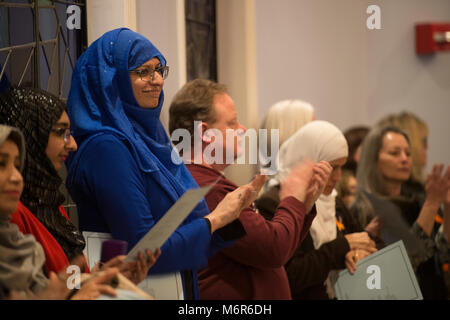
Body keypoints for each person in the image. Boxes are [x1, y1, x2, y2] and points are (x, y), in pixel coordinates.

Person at [65, 28, 253, 300]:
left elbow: (181, 228)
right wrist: (216, 218)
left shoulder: (149, 137)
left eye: (158, 69)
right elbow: (144, 246)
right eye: (142, 71)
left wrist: (230, 214)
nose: (156, 81)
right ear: (111, 79)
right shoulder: (108, 147)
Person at [169, 79, 332, 299]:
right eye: (232, 123)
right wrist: (292, 197)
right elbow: (272, 249)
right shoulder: (207, 190)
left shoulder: (202, 182)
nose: (243, 130)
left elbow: (274, 250)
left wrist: (303, 204)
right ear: (205, 133)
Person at [0, 86, 159, 285]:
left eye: (70, 133)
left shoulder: (50, 203)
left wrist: (105, 278)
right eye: (60, 133)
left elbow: (69, 284)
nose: (73, 144)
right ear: (31, 136)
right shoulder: (12, 212)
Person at [255, 120, 377, 299]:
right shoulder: (273, 203)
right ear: (308, 159)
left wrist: (357, 252)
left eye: (341, 167)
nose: (337, 177)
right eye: (332, 167)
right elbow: (290, 275)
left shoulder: (332, 199)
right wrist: (342, 248)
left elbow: (368, 241)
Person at [0, 124, 120, 300]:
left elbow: (63, 288)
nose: (17, 177)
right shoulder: (17, 213)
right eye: (1, 164)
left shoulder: (22, 241)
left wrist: (99, 279)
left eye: (17, 166)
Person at [351, 125, 450, 299]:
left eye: (408, 153)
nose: (404, 159)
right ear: (373, 159)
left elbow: (442, 253)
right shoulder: (362, 209)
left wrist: (448, 207)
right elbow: (401, 267)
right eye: (395, 153)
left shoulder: (418, 201)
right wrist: (432, 203)